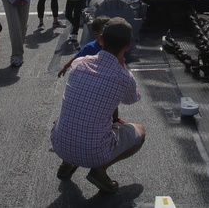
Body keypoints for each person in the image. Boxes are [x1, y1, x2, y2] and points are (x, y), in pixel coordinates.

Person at [50, 17, 145, 194]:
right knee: (140, 132)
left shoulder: (79, 64)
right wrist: (123, 65)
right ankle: (99, 170)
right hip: (94, 153)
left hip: (59, 144)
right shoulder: (124, 78)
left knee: (78, 112)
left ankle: (66, 163)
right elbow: (132, 99)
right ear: (127, 46)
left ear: (100, 40)